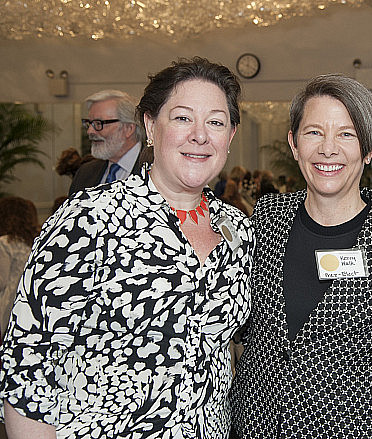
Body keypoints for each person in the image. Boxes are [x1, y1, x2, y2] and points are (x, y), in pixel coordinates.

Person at [1, 57, 254, 439]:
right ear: (151, 126)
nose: (200, 135)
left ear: (230, 136)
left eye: (216, 122)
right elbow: (28, 368)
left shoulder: (237, 229)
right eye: (183, 118)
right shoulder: (89, 219)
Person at [230, 74, 372, 438]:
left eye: (346, 134)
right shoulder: (265, 219)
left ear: (370, 149)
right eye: (314, 132)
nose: (328, 149)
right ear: (294, 145)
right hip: (256, 425)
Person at [68, 89, 145, 196]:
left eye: (98, 123)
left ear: (129, 129)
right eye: (89, 123)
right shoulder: (85, 173)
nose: (90, 131)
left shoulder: (157, 171)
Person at [0, 197, 39, 341]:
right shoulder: (33, 241)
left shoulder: (5, 243)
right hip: (30, 299)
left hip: (9, 303)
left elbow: (1, 281)